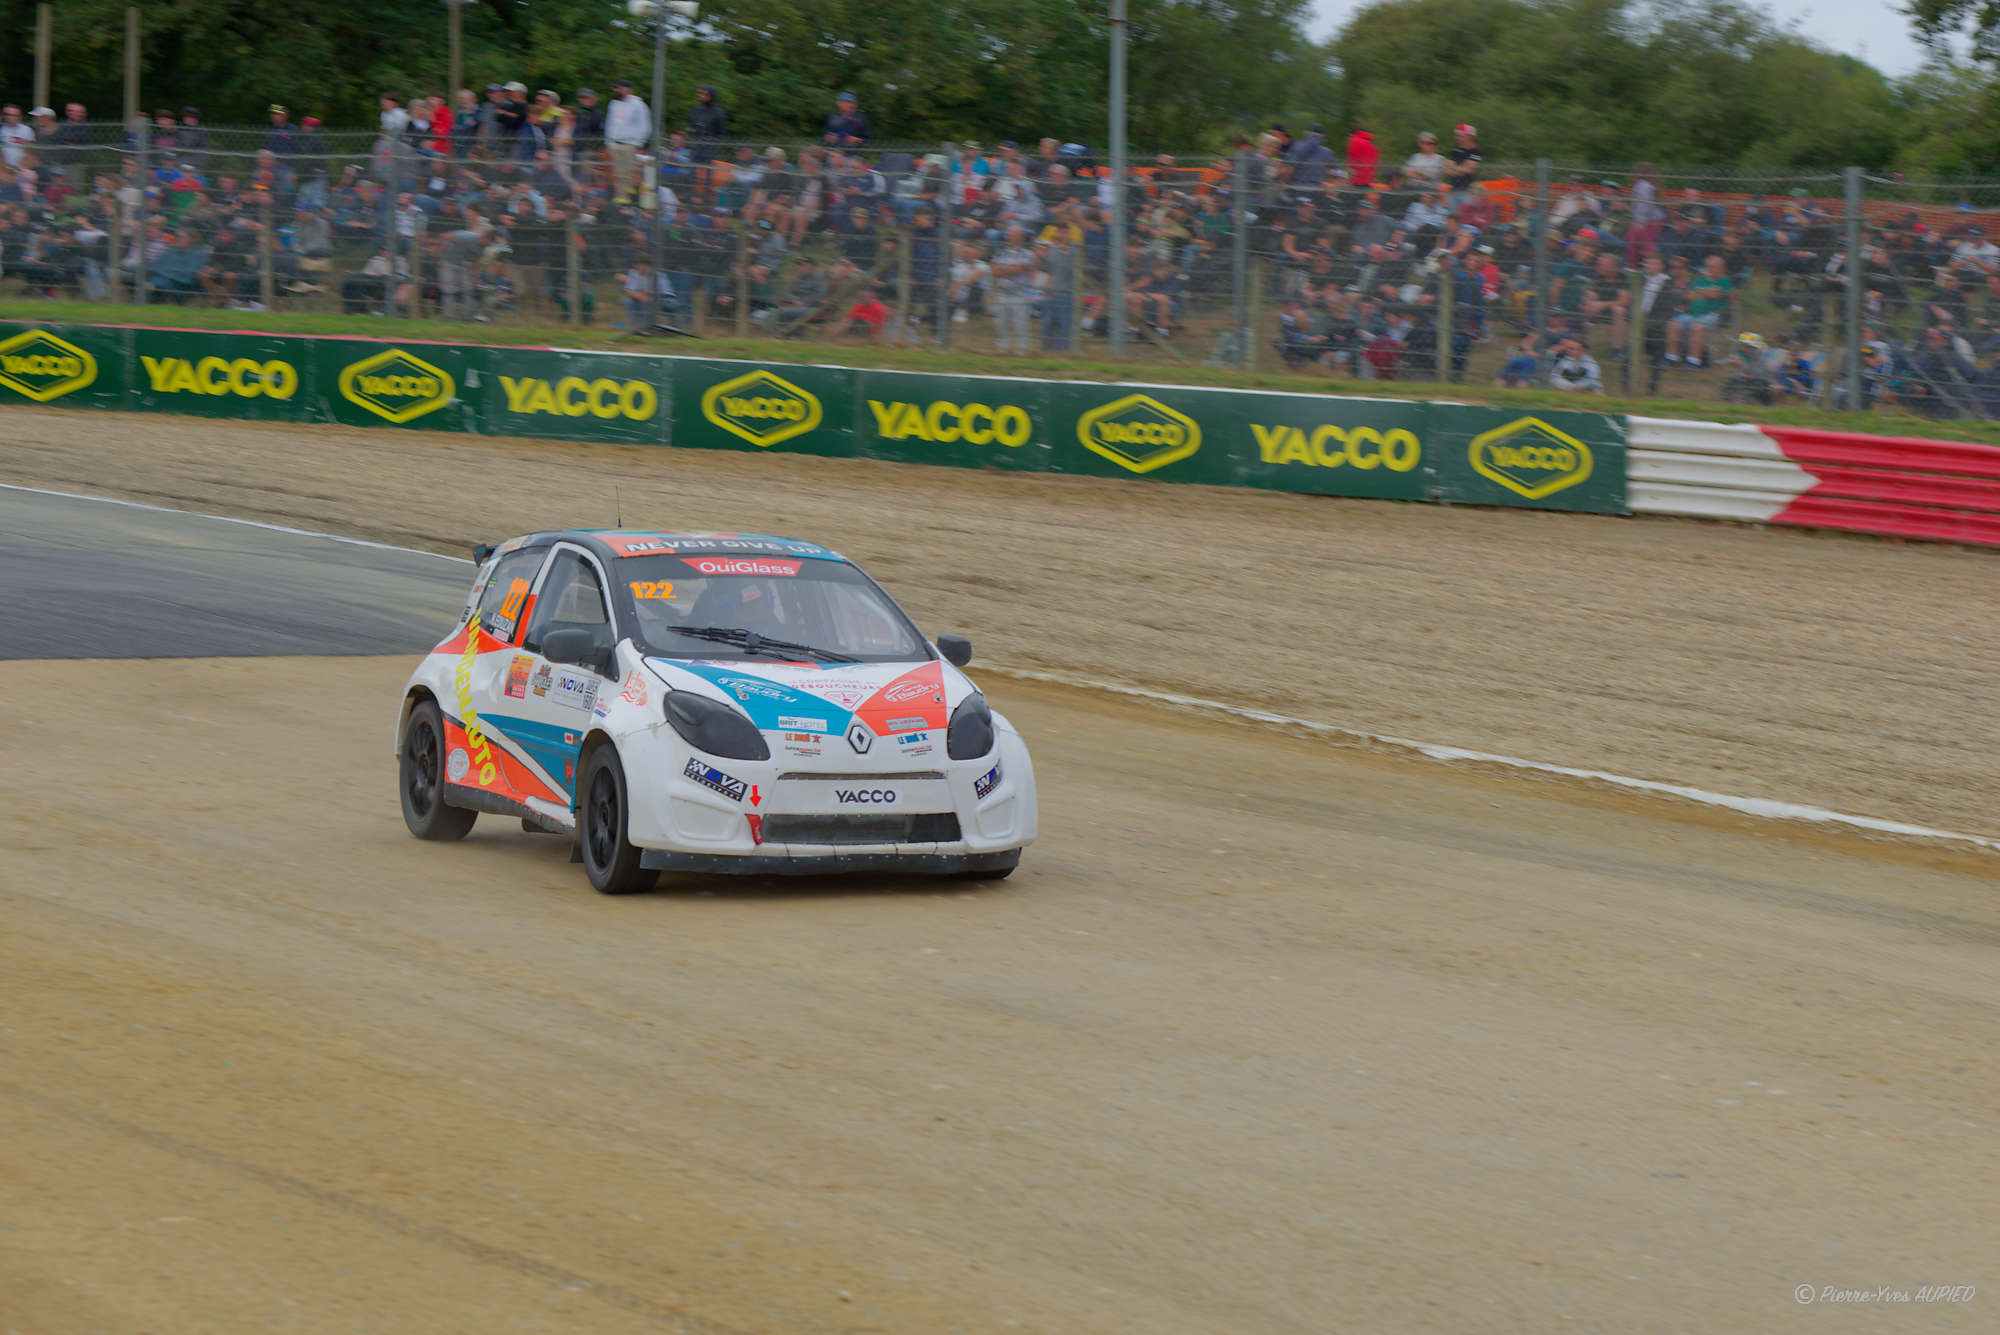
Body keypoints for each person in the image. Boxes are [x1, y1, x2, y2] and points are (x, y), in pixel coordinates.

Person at [603, 79, 651, 205]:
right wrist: (608, 141)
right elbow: (609, 123)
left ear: (628, 89)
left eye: (620, 88)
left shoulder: (638, 104)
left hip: (630, 144)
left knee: (628, 172)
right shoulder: (613, 103)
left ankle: (630, 199)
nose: (617, 90)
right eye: (616, 88)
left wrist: (638, 143)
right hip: (614, 143)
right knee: (618, 172)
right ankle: (621, 197)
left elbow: (644, 124)